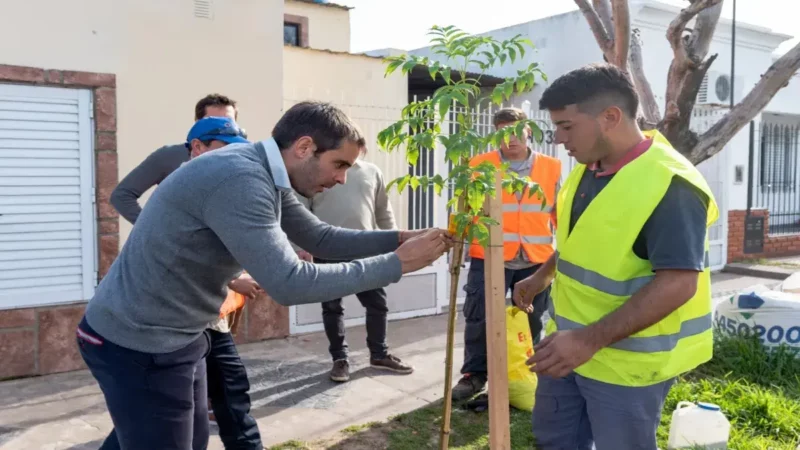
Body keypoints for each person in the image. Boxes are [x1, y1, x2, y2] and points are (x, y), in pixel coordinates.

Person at [76, 100, 450, 450]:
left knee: (180, 440)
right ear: (304, 147)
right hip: (138, 343)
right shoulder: (241, 178)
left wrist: (399, 238)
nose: (342, 179)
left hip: (178, 337)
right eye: (340, 164)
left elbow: (319, 237)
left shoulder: (263, 169)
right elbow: (289, 282)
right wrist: (398, 263)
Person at [512, 64, 718, 449]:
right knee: (554, 441)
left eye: (567, 126)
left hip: (626, 367)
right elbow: (586, 239)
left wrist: (588, 340)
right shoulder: (588, 167)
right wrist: (543, 275)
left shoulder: (671, 186)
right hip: (565, 349)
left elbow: (678, 284)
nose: (557, 139)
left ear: (610, 117)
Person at [104, 115, 266, 450]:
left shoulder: (234, 170)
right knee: (159, 410)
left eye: (235, 120)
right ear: (196, 143)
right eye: (222, 132)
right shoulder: (170, 160)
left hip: (207, 308)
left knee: (222, 394)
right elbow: (123, 196)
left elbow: (222, 236)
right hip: (167, 309)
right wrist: (151, 227)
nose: (232, 149)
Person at [451, 107, 562, 402]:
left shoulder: (551, 167)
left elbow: (560, 213)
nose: (509, 139)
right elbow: (464, 208)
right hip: (488, 256)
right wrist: (455, 243)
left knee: (532, 319)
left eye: (515, 132)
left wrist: (565, 253)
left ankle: (523, 373)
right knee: (479, 318)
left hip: (536, 259)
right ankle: (475, 375)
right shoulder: (479, 164)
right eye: (502, 133)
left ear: (528, 130)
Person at [295, 158, 414, 382]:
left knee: (378, 305)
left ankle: (379, 354)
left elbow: (383, 212)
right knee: (332, 308)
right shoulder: (320, 170)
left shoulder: (371, 171)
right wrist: (301, 246)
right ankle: (340, 360)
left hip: (365, 250)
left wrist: (396, 242)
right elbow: (301, 212)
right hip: (327, 251)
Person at [110, 93, 238, 223]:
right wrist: (154, 229)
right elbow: (122, 195)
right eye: (213, 120)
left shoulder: (242, 159)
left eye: (227, 122)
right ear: (197, 123)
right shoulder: (169, 157)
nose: (221, 127)